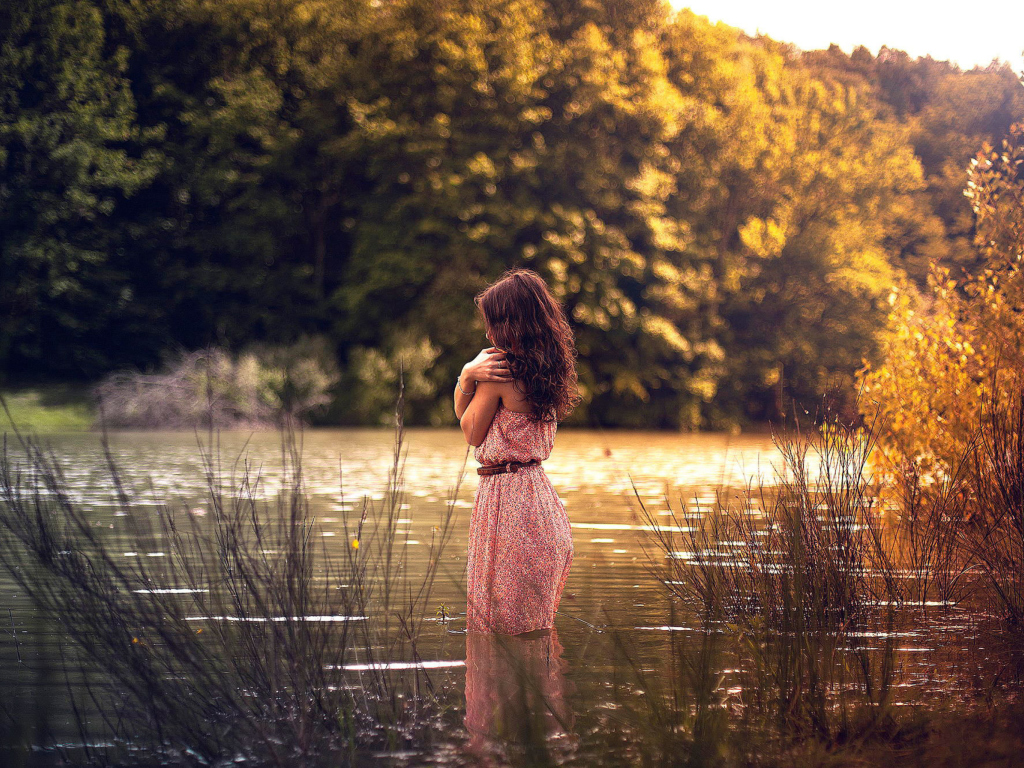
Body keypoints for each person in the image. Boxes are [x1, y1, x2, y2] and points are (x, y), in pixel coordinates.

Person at [453, 268, 579, 635]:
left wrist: (467, 374)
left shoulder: (500, 374)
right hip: (540, 505)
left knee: (496, 632)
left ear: (511, 324)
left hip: (508, 508)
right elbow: (470, 419)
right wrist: (471, 380)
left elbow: (470, 431)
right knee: (533, 636)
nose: (489, 333)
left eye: (493, 322)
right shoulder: (549, 370)